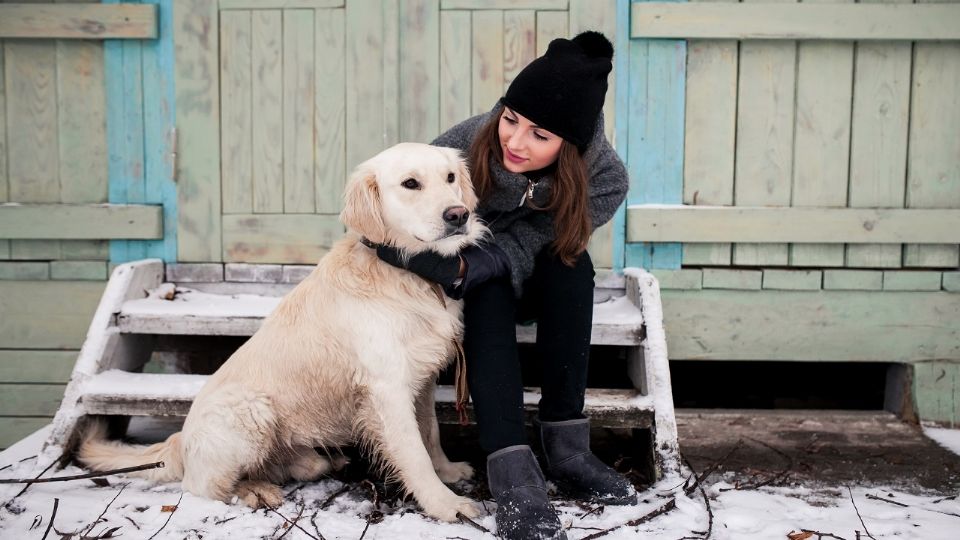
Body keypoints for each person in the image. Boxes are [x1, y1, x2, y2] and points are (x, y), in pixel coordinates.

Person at [372, 31, 633, 539]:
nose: (514, 141)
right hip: (465, 287)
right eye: (511, 119)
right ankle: (510, 468)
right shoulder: (464, 144)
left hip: (540, 282)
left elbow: (549, 234)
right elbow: (384, 220)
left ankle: (568, 448)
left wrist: (494, 256)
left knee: (571, 266)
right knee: (486, 289)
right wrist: (462, 268)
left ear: (571, 145)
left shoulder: (605, 179)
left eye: (540, 135)